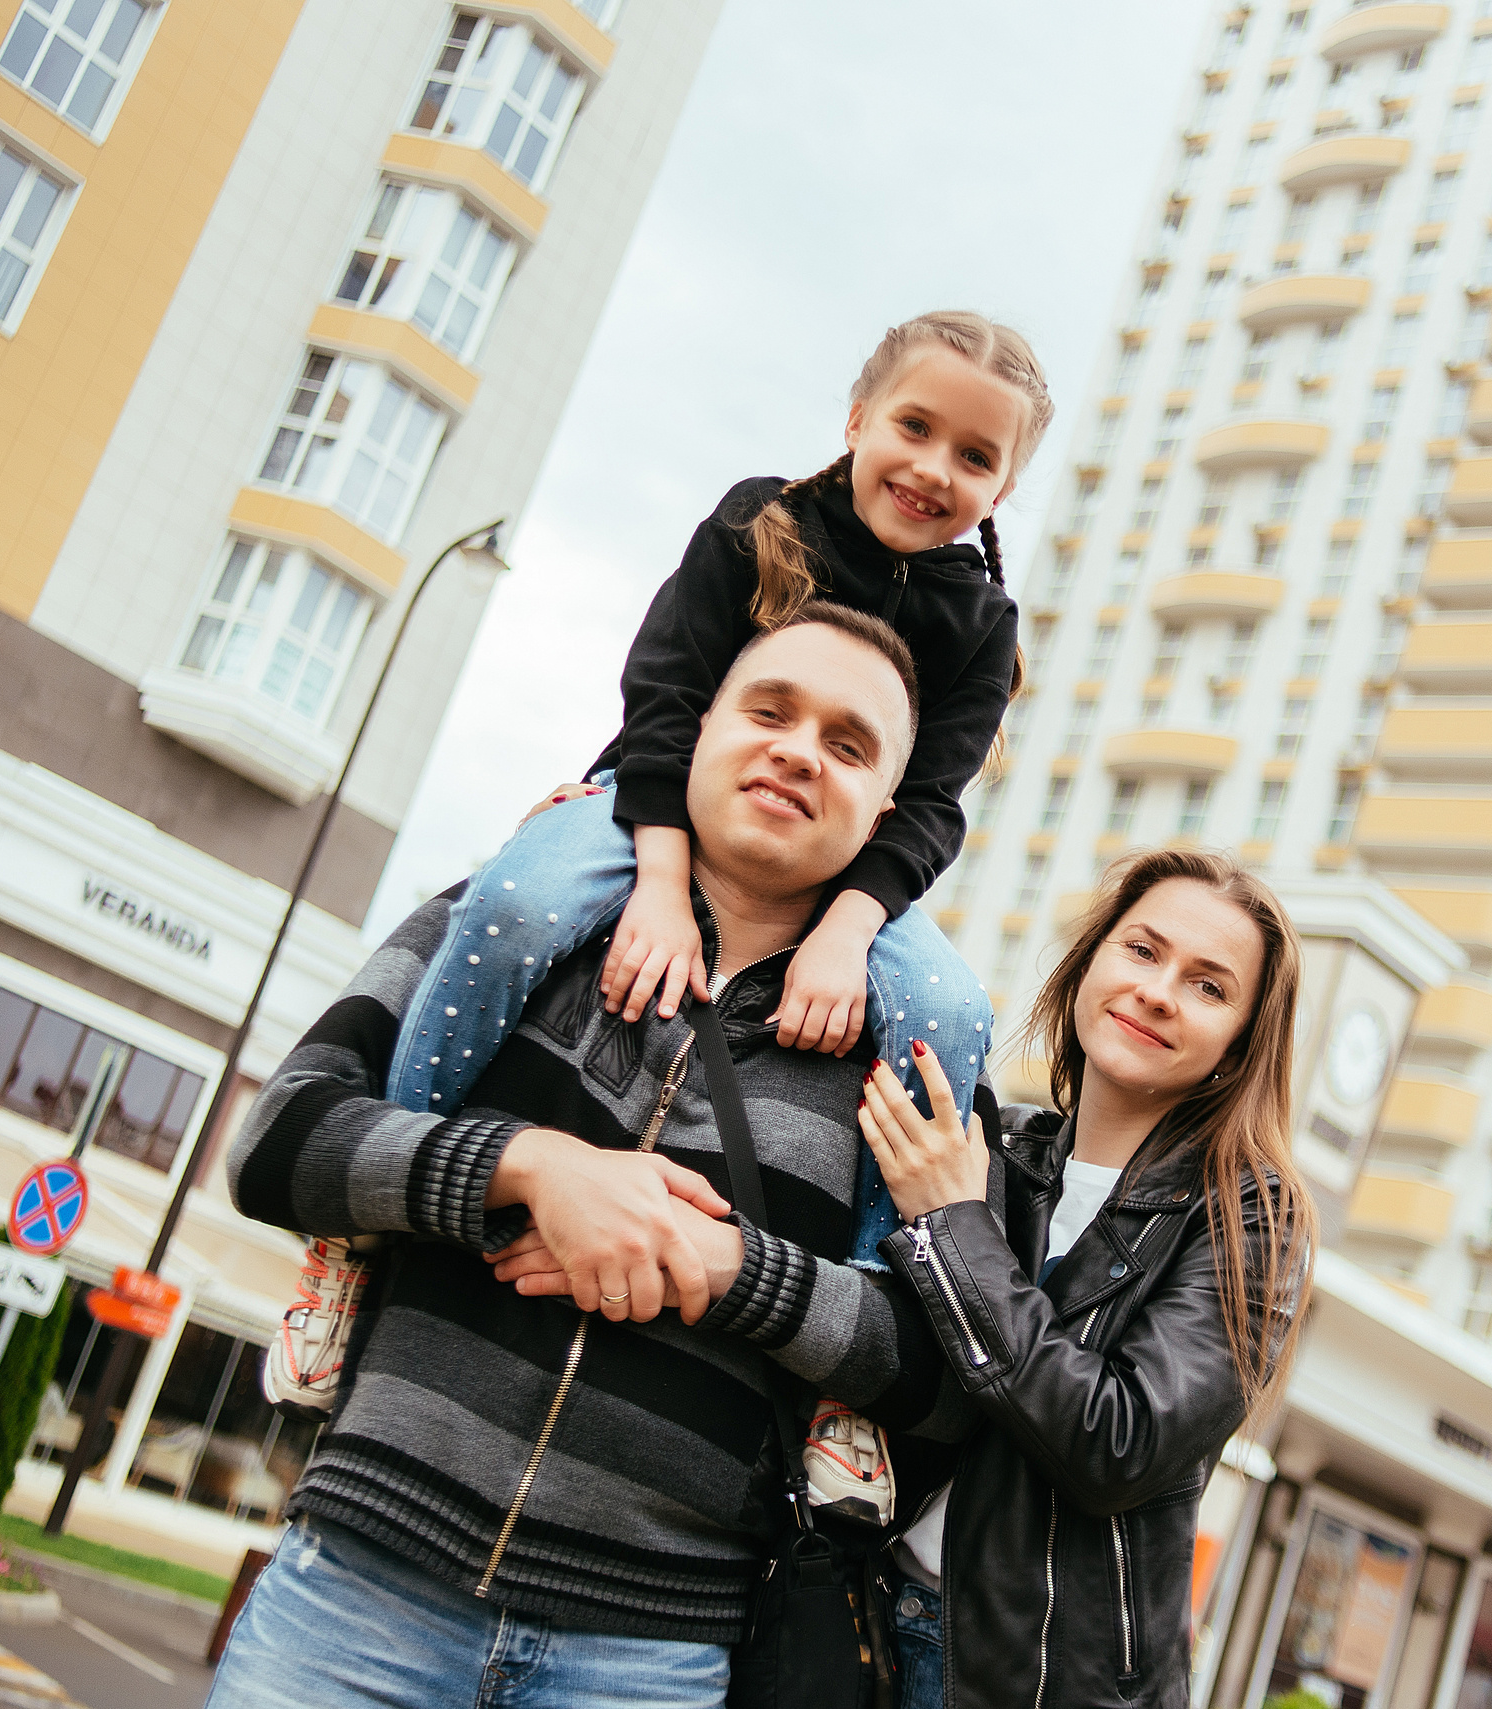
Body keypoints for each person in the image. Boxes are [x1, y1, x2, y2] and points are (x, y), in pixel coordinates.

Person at [212, 608, 977, 1709]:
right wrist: (530, 1168)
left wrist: (723, 1269)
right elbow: (282, 1141)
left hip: (646, 1663)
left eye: (849, 744)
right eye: (770, 710)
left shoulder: (907, 1057)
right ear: (695, 728)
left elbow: (948, 1370)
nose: (800, 748)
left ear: (891, 815)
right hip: (355, 1598)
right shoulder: (504, 919)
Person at [389, 310, 1054, 1271]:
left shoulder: (983, 622)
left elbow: (931, 805)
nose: (935, 469)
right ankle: (397, 1179)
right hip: (653, 800)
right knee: (516, 903)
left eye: (975, 456)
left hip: (854, 874)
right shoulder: (760, 521)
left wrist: (845, 931)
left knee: (950, 1013)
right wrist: (659, 883)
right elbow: (664, 699)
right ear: (859, 416)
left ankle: (875, 1296)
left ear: (1007, 485)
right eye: (914, 427)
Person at [854, 849, 1317, 1709]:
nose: (1158, 991)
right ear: (1090, 962)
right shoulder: (998, 1148)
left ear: (1237, 1045)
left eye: (1209, 986)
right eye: (1142, 950)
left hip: (1043, 1684)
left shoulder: (1250, 1215)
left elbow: (1119, 1441)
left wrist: (951, 1227)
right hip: (867, 1626)